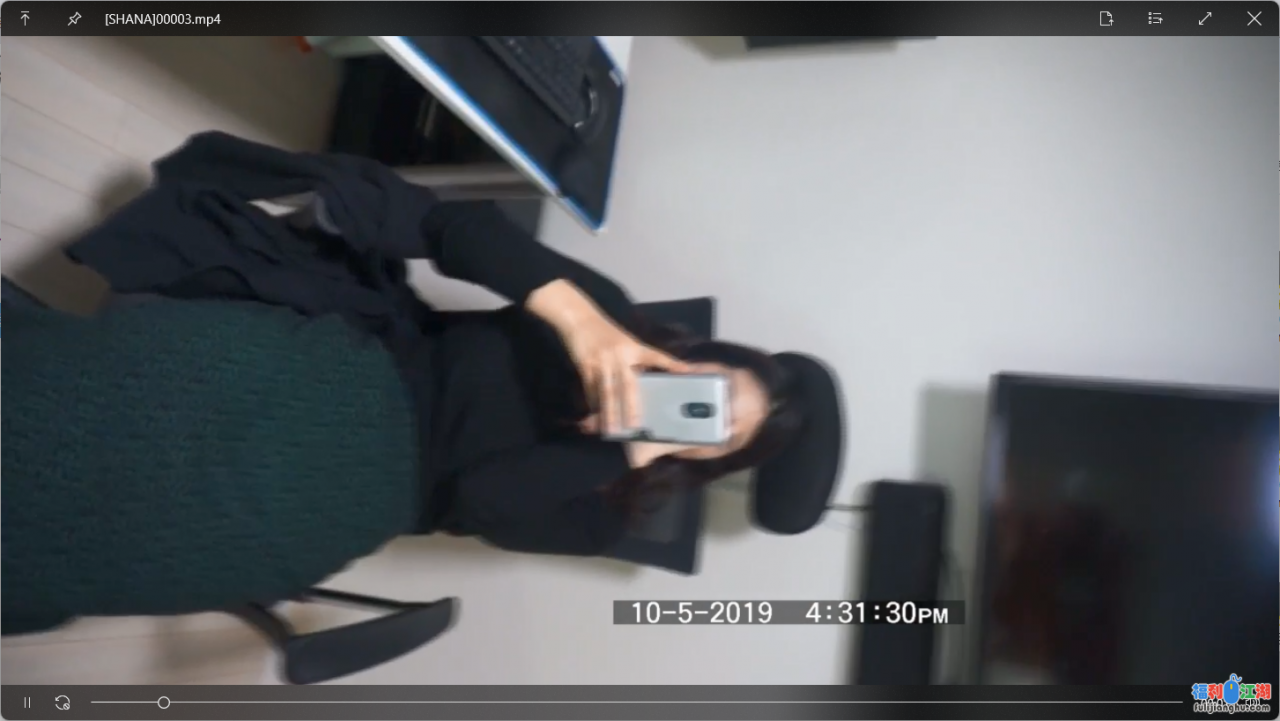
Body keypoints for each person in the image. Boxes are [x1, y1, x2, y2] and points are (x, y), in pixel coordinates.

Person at [2, 133, 844, 635]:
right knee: (64, 414)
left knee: (88, 554)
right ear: (703, 357)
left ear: (709, 457)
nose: (698, 407)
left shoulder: (605, 515)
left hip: (355, 506)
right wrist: (573, 314)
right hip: (350, 378)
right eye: (713, 385)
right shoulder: (609, 316)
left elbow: (482, 500)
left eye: (716, 425)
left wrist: (621, 452)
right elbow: (457, 230)